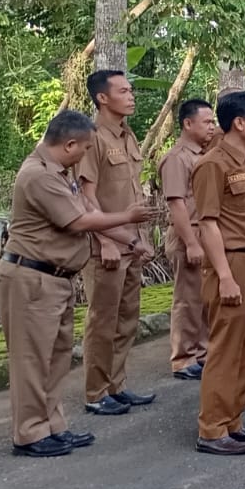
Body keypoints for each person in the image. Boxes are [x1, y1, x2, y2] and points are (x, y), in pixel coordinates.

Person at [1, 111, 153, 456]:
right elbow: (79, 221)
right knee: (32, 360)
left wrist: (132, 240)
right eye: (84, 148)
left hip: (55, 278)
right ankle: (29, 434)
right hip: (31, 278)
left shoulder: (60, 172)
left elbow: (88, 212)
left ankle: (52, 426)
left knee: (56, 358)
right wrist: (128, 217)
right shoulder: (38, 175)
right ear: (69, 144)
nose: (85, 154)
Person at [191, 91, 245, 456]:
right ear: (239, 123)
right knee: (225, 349)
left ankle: (233, 421)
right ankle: (212, 429)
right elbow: (208, 223)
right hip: (230, 262)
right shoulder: (213, 164)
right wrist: (224, 276)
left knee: (244, 348)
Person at [78, 69, 157, 416]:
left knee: (127, 319)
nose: (131, 96)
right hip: (106, 247)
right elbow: (86, 195)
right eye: (123, 91)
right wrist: (104, 239)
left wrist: (139, 239)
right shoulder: (92, 137)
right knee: (103, 321)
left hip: (131, 244)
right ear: (102, 98)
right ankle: (96, 393)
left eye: (130, 90)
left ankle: (116, 385)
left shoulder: (128, 135)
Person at [159, 98, 216, 380]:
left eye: (213, 121)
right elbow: (176, 203)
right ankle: (183, 357)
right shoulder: (177, 158)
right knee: (187, 298)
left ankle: (201, 351)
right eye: (207, 122)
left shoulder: (202, 155)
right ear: (188, 123)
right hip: (187, 233)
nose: (212, 127)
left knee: (203, 297)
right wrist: (191, 242)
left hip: (204, 232)